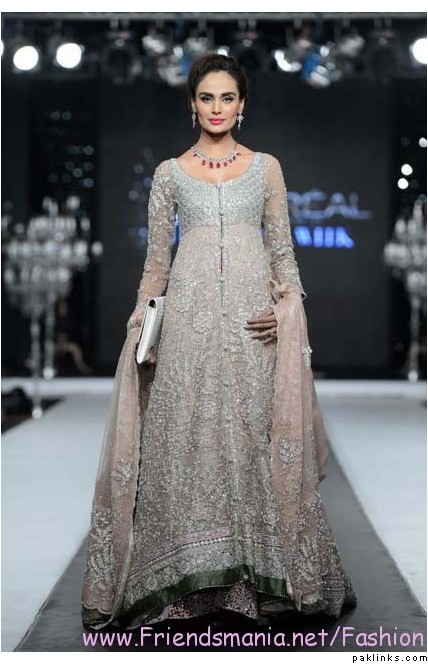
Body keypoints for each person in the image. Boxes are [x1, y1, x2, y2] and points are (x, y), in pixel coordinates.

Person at [81, 53, 357, 631]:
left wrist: (286, 312)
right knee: (188, 445)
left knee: (256, 441)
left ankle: (265, 576)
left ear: (242, 104)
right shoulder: (169, 174)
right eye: (207, 97)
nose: (216, 108)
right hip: (188, 328)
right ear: (192, 104)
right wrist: (143, 328)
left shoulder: (266, 169)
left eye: (227, 97)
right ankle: (186, 579)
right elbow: (156, 266)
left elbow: (283, 255)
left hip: (254, 328)